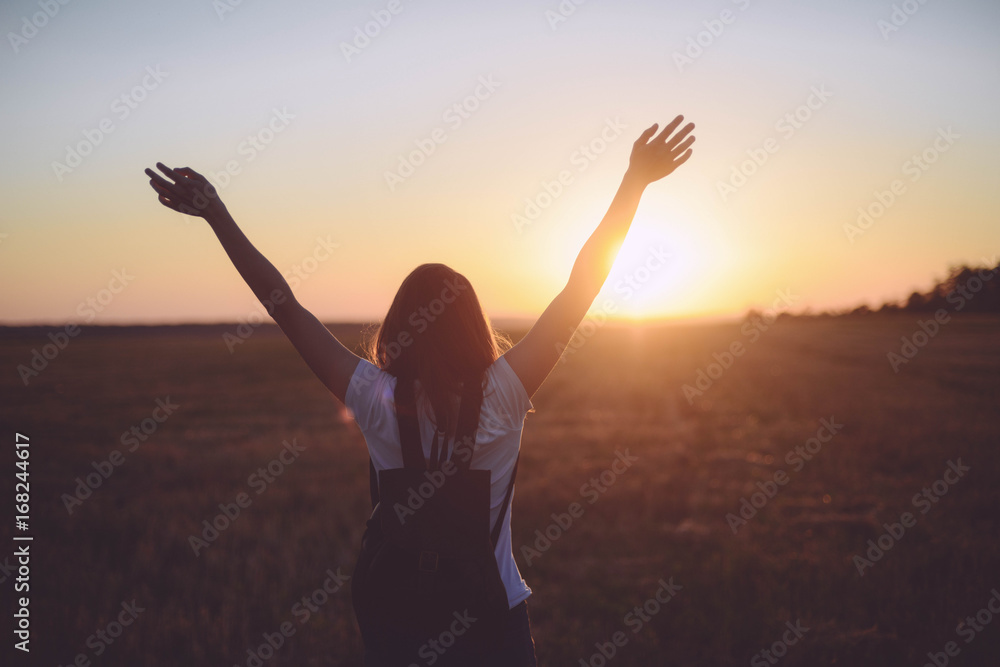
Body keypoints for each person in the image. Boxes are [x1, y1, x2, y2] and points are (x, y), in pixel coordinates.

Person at [144, 115, 694, 665]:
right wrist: (633, 183)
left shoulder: (372, 395)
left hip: (399, 622)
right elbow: (582, 286)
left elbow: (282, 303)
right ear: (475, 325)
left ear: (399, 324)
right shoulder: (505, 390)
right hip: (493, 618)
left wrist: (216, 213)